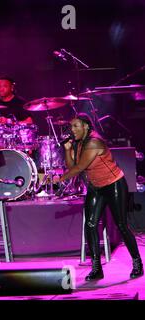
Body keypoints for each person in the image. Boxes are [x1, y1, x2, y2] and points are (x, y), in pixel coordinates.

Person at [59, 113, 143, 280]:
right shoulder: (79, 143)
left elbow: (79, 168)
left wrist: (58, 179)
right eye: (71, 126)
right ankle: (97, 268)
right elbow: (72, 165)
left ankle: (137, 263)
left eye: (76, 126)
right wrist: (67, 150)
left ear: (86, 127)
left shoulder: (93, 142)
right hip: (96, 187)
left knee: (121, 225)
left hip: (114, 184)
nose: (72, 129)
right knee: (90, 225)